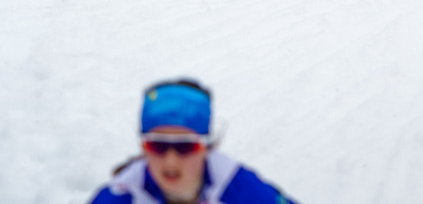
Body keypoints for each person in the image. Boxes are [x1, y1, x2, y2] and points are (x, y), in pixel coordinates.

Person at [88, 78, 297, 204]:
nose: (171, 161)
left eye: (185, 146)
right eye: (157, 145)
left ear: (207, 147)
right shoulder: (120, 196)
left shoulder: (233, 183)